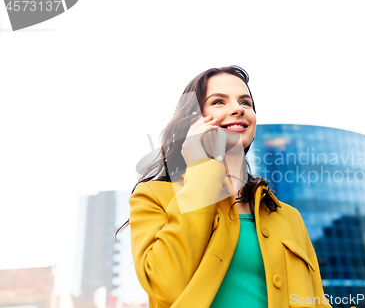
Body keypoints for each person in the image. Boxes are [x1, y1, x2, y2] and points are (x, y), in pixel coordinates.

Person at [116, 66, 332, 308]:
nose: (238, 109)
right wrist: (201, 169)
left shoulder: (289, 217)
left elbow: (317, 302)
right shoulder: (154, 197)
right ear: (192, 122)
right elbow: (165, 286)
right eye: (218, 102)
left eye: (246, 103)